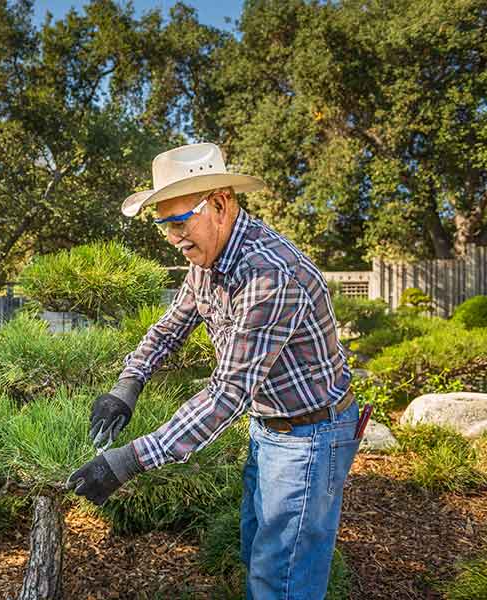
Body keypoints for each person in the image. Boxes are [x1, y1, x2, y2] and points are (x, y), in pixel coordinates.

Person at [65, 143, 361, 600]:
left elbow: (227, 394)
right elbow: (170, 329)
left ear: (221, 204)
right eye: (163, 225)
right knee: (256, 550)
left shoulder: (269, 275)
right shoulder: (207, 261)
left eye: (179, 222)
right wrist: (128, 385)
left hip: (311, 434)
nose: (173, 238)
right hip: (269, 426)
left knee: (282, 581)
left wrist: (127, 461)